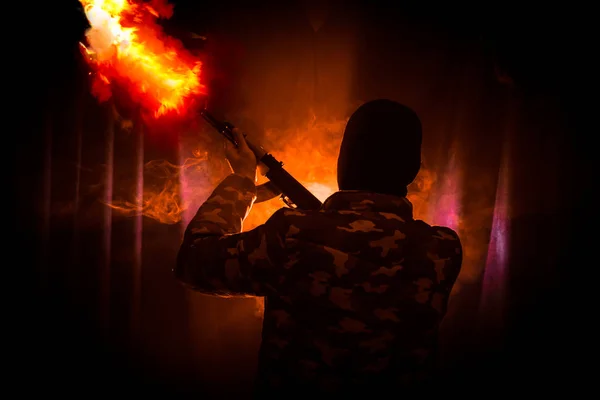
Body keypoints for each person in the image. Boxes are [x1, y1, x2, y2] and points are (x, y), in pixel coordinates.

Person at [175, 99, 463, 395]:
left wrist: (242, 181)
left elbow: (194, 260)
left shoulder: (293, 234)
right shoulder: (443, 250)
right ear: (412, 170)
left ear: (345, 159)